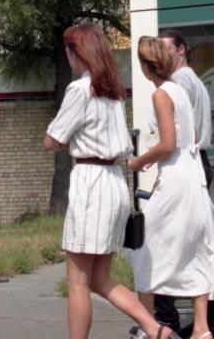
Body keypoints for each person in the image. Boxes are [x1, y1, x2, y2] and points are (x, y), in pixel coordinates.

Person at [43, 24, 174, 339]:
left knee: (77, 280)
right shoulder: (113, 91)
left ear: (79, 53)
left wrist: (69, 141)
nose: (68, 56)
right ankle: (154, 327)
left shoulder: (80, 89)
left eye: (69, 50)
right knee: (100, 278)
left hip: (91, 181)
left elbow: (52, 139)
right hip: (115, 181)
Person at [128, 37, 214, 339]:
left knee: (144, 248)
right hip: (191, 174)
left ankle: (150, 327)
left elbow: (168, 143)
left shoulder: (161, 94)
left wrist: (139, 161)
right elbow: (191, 137)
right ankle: (201, 328)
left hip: (175, 177)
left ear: (146, 66)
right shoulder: (180, 91)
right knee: (196, 249)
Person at [155, 29, 214, 338]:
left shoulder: (178, 83)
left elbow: (180, 135)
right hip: (198, 163)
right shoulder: (195, 81)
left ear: (181, 49)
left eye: (165, 49)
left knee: (163, 244)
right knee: (198, 243)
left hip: (185, 163)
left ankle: (165, 321)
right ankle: (206, 323)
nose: (160, 56)